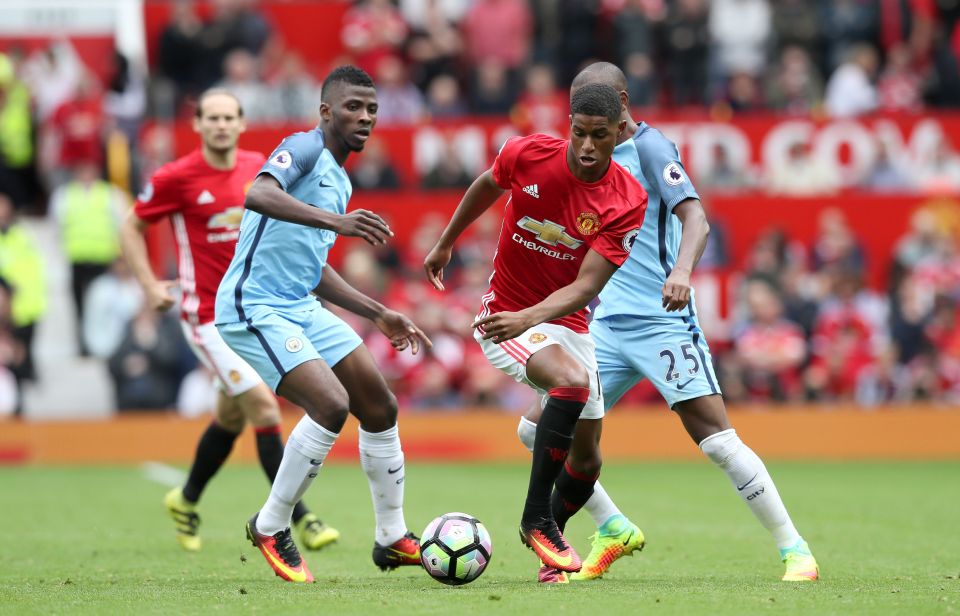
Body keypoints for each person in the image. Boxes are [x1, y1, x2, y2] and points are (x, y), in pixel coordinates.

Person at [522, 62, 819, 583]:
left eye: (597, 109)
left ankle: (795, 550)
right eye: (578, 112)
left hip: (662, 322)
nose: (585, 125)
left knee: (717, 441)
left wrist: (681, 270)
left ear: (622, 103)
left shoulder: (653, 149)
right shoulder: (588, 158)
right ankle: (611, 525)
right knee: (536, 429)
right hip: (605, 327)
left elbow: (696, 217)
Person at [214, 66, 431, 584]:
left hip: (299, 304)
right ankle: (270, 525)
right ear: (327, 111)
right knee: (331, 405)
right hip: (255, 305)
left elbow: (312, 269)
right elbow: (258, 193)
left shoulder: (340, 177)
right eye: (354, 106)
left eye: (372, 109)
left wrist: (378, 312)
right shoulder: (303, 147)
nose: (365, 117)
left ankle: (391, 537)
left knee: (379, 405)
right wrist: (338, 222)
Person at [424, 83, 646, 582]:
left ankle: (552, 550)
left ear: (619, 134)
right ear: (569, 124)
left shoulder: (627, 199)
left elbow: (588, 284)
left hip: (563, 322)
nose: (588, 147)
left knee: (586, 462)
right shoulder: (528, 153)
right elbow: (486, 183)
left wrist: (535, 318)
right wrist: (445, 243)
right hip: (503, 315)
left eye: (601, 137)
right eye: (580, 133)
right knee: (570, 382)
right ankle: (536, 520)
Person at [121, 88, 339, 553]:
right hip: (207, 315)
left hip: (256, 307)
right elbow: (131, 225)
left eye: (229, 117)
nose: (221, 125)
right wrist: (148, 284)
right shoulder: (176, 177)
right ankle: (300, 520)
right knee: (262, 407)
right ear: (197, 125)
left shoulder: (260, 168)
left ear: (242, 124)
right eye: (212, 118)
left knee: (231, 413)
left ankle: (186, 498)